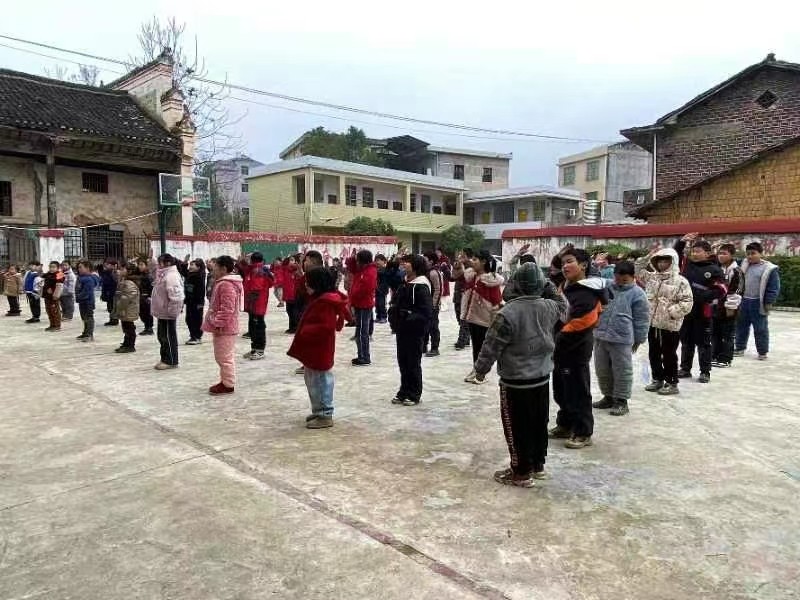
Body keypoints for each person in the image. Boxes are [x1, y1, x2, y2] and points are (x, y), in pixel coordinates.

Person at [472, 263, 566, 487]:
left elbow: (491, 345)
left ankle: (520, 472)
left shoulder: (507, 313)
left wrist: (481, 369)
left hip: (515, 382)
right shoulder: (550, 307)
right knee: (537, 423)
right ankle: (536, 465)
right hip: (542, 377)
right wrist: (549, 285)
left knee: (516, 427)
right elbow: (563, 304)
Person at [549, 247, 606, 449]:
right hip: (559, 346)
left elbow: (583, 321)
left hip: (575, 347)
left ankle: (583, 431)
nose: (565, 266)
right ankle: (565, 423)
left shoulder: (587, 290)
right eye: (564, 263)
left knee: (577, 389)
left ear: (583, 265)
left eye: (570, 261)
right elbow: (553, 269)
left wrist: (559, 337)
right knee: (561, 388)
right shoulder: (565, 286)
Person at [288, 267, 350, 428]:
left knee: (320, 381)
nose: (306, 285)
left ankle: (325, 414)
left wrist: (306, 331)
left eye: (309, 282)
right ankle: (318, 410)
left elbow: (326, 326)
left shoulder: (325, 302)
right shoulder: (319, 298)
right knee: (312, 380)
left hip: (319, 348)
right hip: (313, 348)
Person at [591, 261, 650, 416]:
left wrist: (639, 339)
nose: (620, 282)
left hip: (621, 339)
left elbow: (642, 319)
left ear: (632, 277)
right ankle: (608, 396)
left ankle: (621, 401)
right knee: (602, 369)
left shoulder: (638, 293)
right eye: (617, 278)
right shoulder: (607, 287)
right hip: (601, 336)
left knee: (622, 371)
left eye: (624, 280)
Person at [634, 247, 694, 395]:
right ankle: (657, 379)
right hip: (652, 323)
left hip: (669, 325)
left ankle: (672, 382)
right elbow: (637, 269)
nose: (661, 264)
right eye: (659, 260)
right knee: (653, 353)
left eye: (665, 260)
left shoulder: (680, 281)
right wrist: (648, 256)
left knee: (669, 354)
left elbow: (687, 301)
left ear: (673, 261)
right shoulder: (652, 277)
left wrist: (672, 312)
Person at [674, 234, 726, 383]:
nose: (695, 254)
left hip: (703, 312)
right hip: (685, 311)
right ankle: (685, 369)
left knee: (703, 343)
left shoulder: (714, 270)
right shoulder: (685, 264)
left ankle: (705, 372)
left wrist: (701, 296)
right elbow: (675, 255)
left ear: (708, 253)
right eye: (693, 251)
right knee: (686, 341)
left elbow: (721, 290)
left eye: (698, 251)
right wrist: (681, 242)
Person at [388, 254, 433, 406]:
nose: (404, 264)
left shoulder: (421, 285)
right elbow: (395, 299)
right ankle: (404, 390)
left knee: (413, 362)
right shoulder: (405, 282)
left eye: (407, 262)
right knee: (403, 361)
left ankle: (414, 393)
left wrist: (408, 317)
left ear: (416, 266)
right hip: (402, 329)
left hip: (415, 331)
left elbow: (425, 312)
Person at [202, 255, 244, 395]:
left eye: (216, 268)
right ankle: (225, 381)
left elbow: (228, 308)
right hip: (223, 327)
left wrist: (218, 323)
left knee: (224, 357)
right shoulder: (223, 282)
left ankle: (228, 384)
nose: (213, 271)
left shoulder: (226, 284)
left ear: (224, 269)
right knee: (222, 356)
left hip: (225, 328)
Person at [462, 250, 504, 383]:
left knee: (482, 347)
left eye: (475, 260)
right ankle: (476, 369)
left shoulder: (490, 280)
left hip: (484, 319)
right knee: (476, 346)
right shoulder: (473, 276)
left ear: (484, 262)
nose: (472, 262)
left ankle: (481, 374)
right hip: (472, 317)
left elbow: (497, 301)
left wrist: (494, 320)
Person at [735, 242, 781, 360]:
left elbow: (773, 288)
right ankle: (740, 348)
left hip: (758, 303)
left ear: (761, 253)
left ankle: (762, 352)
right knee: (741, 326)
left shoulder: (770, 269)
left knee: (760, 328)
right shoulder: (743, 264)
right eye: (748, 254)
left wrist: (768, 302)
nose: (750, 256)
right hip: (743, 301)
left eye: (753, 253)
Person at [711, 244, 743, 368]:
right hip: (716, 307)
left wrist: (731, 306)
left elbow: (737, 290)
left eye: (724, 253)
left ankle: (725, 359)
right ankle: (715, 355)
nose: (721, 256)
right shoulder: (716, 269)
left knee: (727, 335)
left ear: (732, 255)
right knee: (715, 333)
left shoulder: (737, 271)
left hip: (729, 308)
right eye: (720, 253)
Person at [150, 254, 184, 370]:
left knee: (168, 337)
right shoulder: (164, 274)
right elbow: (154, 270)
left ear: (167, 263)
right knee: (162, 336)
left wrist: (172, 311)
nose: (158, 265)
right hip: (162, 312)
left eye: (160, 263)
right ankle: (165, 358)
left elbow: (176, 296)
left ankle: (171, 360)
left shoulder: (172, 276)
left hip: (168, 313)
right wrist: (152, 260)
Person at [239, 252, 273, 360]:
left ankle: (260, 350)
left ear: (253, 260)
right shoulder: (252, 269)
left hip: (257, 304)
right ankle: (254, 348)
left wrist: (250, 302)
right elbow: (242, 269)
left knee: (258, 326)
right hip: (253, 304)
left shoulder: (259, 271)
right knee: (252, 327)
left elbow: (256, 288)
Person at [347, 249, 378, 366]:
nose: (356, 262)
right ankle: (362, 355)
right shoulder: (362, 269)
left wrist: (352, 297)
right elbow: (350, 265)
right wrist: (353, 257)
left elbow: (365, 289)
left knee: (361, 333)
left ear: (362, 262)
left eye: (357, 260)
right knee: (359, 331)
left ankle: (364, 357)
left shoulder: (369, 272)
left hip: (364, 305)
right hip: (359, 304)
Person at [112, 262, 140, 353]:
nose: (119, 271)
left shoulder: (129, 283)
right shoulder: (124, 280)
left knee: (129, 328)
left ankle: (130, 345)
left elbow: (126, 298)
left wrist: (120, 307)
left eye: (122, 269)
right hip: (124, 309)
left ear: (129, 271)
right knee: (126, 327)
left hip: (127, 309)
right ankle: (126, 343)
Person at [451, 249, 474, 350]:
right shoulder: (459, 265)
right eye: (460, 254)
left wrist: (462, 265)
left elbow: (464, 276)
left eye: (463, 255)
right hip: (457, 294)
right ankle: (467, 337)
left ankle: (461, 341)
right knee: (459, 317)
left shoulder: (471, 266)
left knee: (463, 317)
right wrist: (458, 265)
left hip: (465, 294)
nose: (460, 256)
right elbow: (453, 276)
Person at [180, 258, 206, 345]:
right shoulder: (190, 274)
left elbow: (201, 291)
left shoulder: (199, 276)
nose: (190, 266)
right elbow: (183, 271)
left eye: (192, 265)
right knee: (189, 319)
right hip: (189, 301)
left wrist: (200, 303)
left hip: (197, 302)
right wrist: (184, 263)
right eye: (190, 265)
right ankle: (192, 335)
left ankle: (197, 336)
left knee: (196, 320)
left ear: (198, 267)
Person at [423, 251, 443, 357]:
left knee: (433, 326)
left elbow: (438, 289)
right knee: (424, 325)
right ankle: (424, 346)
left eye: (425, 259)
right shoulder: (426, 271)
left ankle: (435, 348)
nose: (424, 261)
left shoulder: (434, 273)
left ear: (431, 261)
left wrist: (434, 305)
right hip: (426, 304)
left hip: (432, 305)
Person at [75, 260, 99, 342]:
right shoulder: (81, 278)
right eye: (78, 267)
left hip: (88, 302)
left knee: (89, 318)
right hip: (82, 301)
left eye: (81, 267)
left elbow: (86, 292)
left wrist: (79, 296)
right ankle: (85, 332)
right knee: (84, 317)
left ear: (88, 268)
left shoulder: (88, 279)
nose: (79, 269)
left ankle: (89, 334)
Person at [41, 261, 65, 332]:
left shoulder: (59, 274)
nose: (52, 268)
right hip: (47, 296)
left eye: (53, 267)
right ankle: (52, 324)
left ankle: (57, 325)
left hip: (54, 296)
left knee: (55, 311)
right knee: (49, 310)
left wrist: (56, 295)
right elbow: (41, 277)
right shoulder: (48, 274)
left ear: (58, 268)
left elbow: (59, 286)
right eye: (50, 267)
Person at [136, 257, 155, 335]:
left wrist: (149, 297)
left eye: (142, 264)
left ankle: (149, 328)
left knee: (147, 313)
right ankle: (147, 327)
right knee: (142, 313)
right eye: (139, 264)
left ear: (146, 266)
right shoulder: (139, 275)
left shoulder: (148, 276)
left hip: (146, 298)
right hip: (140, 297)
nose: (139, 266)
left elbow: (151, 288)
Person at [283, 256, 301, 333]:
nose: (291, 262)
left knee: (294, 312)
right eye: (290, 260)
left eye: (293, 260)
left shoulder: (298, 271)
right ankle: (291, 327)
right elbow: (282, 264)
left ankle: (295, 327)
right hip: (288, 295)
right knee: (289, 310)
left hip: (295, 294)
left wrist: (298, 267)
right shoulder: (286, 270)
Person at [100, 259, 119, 327]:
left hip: (112, 292)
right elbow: (104, 283)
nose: (107, 265)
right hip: (107, 292)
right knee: (110, 307)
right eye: (107, 264)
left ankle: (114, 320)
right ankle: (112, 319)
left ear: (114, 266)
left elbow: (114, 283)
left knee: (113, 307)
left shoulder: (114, 273)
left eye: (109, 264)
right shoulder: (106, 272)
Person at [374, 254, 390, 324]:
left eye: (379, 260)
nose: (377, 262)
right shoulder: (376, 269)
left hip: (383, 289)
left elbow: (382, 274)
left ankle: (383, 317)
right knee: (377, 303)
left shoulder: (385, 269)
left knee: (382, 303)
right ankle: (378, 316)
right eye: (376, 260)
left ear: (384, 261)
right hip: (376, 288)